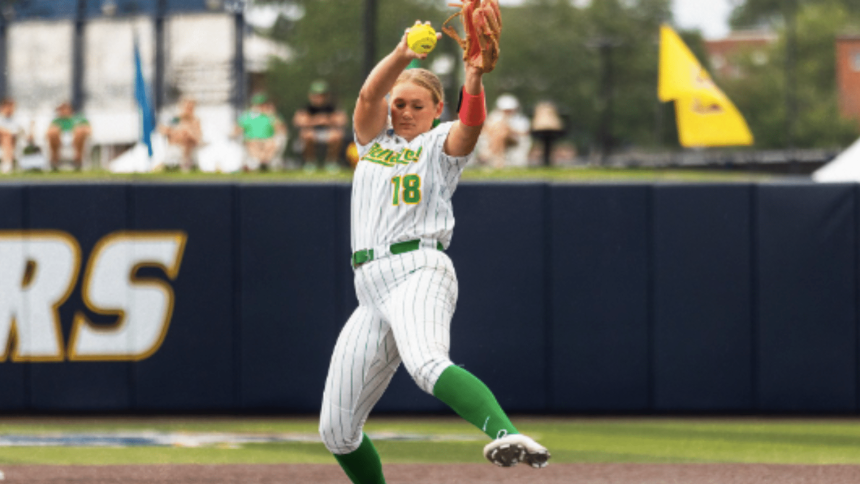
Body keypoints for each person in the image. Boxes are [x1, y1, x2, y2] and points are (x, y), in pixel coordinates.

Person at [318, 20, 550, 484]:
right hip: (370, 289)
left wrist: (475, 77)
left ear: (436, 108)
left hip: (419, 268)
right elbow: (367, 99)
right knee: (336, 432)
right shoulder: (372, 143)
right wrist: (404, 52)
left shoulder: (437, 144)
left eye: (416, 105)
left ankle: (508, 434)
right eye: (398, 104)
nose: (404, 112)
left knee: (426, 363)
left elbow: (471, 125)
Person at [292, 80, 348, 171]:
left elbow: (342, 120)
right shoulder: (305, 107)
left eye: (322, 95)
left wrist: (327, 121)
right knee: (306, 134)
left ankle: (331, 163)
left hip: (328, 133)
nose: (319, 98)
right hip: (312, 133)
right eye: (316, 95)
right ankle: (310, 163)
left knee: (337, 135)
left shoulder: (333, 106)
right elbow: (298, 121)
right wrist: (317, 120)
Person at [235, 93, 287, 171]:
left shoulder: (272, 115)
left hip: (268, 139)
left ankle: (264, 162)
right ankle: (260, 162)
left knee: (270, 144)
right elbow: (236, 130)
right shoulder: (247, 116)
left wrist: (272, 116)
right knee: (253, 144)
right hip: (252, 140)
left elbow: (282, 130)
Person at [479, 93, 531, 168]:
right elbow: (486, 130)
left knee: (502, 131)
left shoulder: (520, 119)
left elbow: (524, 133)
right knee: (501, 135)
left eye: (509, 109)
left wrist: (507, 128)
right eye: (505, 110)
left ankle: (487, 155)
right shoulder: (494, 117)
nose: (508, 112)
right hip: (497, 138)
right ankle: (499, 161)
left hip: (513, 140)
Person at [158, 98, 202, 171]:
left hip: (189, 148)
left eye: (190, 108)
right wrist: (177, 132)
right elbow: (163, 130)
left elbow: (198, 139)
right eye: (187, 107)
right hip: (175, 146)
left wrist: (188, 132)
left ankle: (185, 164)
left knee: (188, 138)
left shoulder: (195, 121)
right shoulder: (175, 119)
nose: (188, 110)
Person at [46, 101, 91, 170]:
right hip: (60, 138)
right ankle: (55, 159)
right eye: (60, 110)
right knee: (53, 132)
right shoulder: (56, 121)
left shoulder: (79, 118)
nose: (62, 111)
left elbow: (89, 130)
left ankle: (78, 159)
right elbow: (48, 133)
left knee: (80, 131)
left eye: (64, 109)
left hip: (75, 138)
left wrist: (79, 130)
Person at [0, 98, 24, 174]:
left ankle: (7, 163)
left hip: (13, 141)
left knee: (7, 138)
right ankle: (7, 163)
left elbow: (19, 132)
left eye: (12, 107)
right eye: (8, 106)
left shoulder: (18, 119)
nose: (10, 109)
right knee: (6, 136)